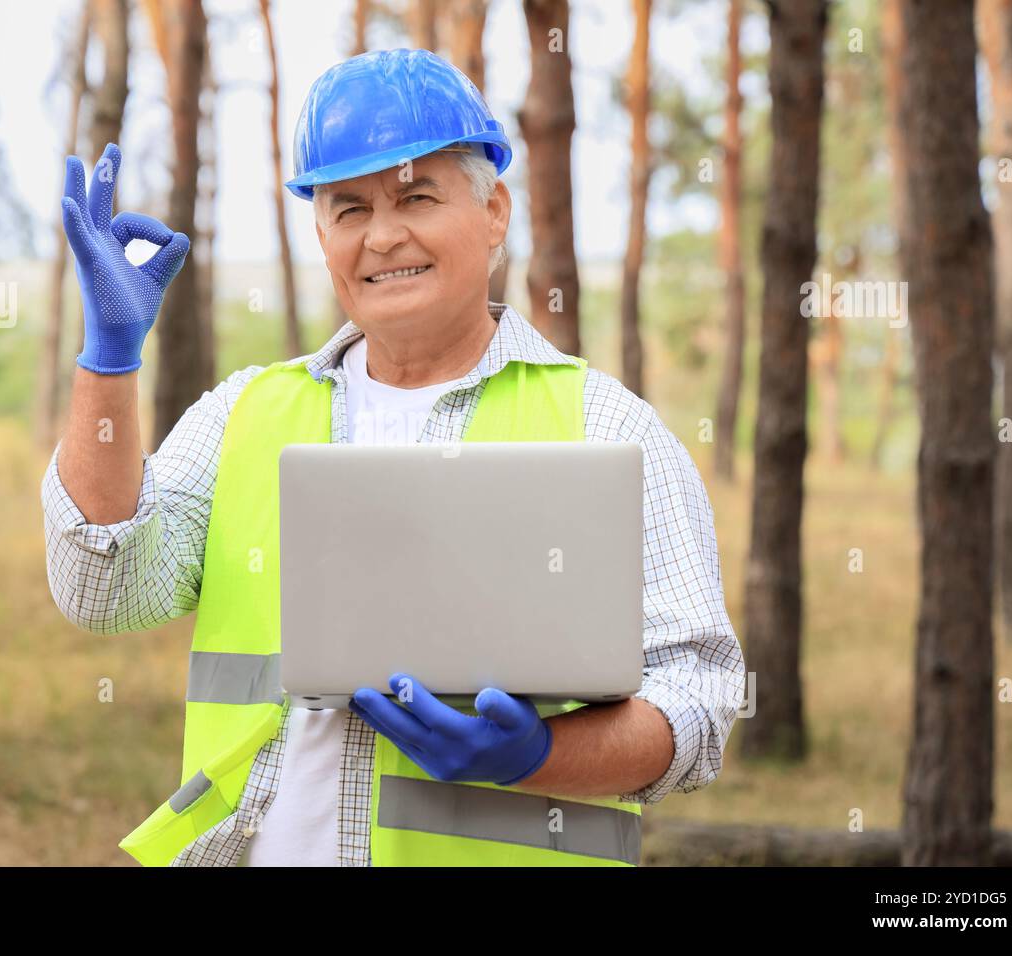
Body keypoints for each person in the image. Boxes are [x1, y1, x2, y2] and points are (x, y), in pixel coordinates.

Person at [42, 47, 745, 867]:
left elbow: (699, 699)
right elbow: (102, 589)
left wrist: (536, 758)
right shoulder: (246, 414)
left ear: (494, 213)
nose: (383, 236)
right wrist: (109, 363)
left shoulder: (605, 426)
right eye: (349, 209)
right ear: (323, 234)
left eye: (416, 196)